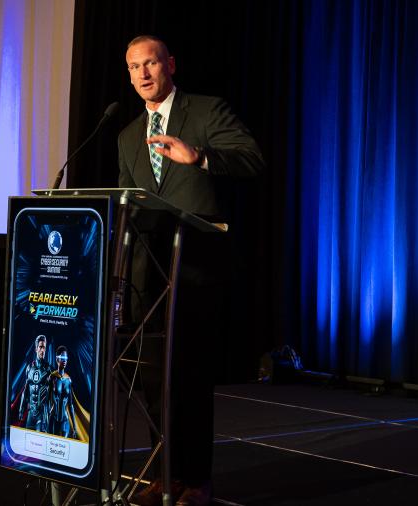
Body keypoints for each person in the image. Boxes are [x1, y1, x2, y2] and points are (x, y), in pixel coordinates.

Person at [118, 35, 264, 506]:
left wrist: (199, 157)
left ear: (170, 65)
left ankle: (197, 480)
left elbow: (251, 159)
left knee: (191, 380)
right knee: (154, 383)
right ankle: (165, 474)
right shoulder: (126, 137)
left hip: (195, 271)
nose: (143, 74)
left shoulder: (205, 112)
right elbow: (128, 206)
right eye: (134, 67)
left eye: (151, 64)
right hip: (148, 279)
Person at [19, 335, 51, 432]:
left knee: (39, 440)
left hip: (42, 413)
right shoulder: (29, 368)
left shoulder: (48, 369)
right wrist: (21, 409)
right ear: (36, 349)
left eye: (44, 347)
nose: (42, 350)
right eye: (40, 347)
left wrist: (49, 414)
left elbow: (51, 395)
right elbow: (26, 390)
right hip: (31, 412)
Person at [48, 346, 78, 439]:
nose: (65, 360)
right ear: (57, 359)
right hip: (53, 418)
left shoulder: (68, 380)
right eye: (62, 358)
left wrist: (75, 427)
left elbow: (71, 404)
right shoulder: (52, 377)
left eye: (66, 358)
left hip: (65, 419)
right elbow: (47, 400)